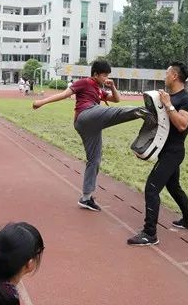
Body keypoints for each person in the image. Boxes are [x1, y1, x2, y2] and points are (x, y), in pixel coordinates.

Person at [32, 59, 149, 212]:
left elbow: (116, 99)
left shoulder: (99, 89)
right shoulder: (85, 82)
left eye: (108, 76)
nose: (106, 78)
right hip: (86, 115)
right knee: (115, 112)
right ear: (95, 74)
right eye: (104, 75)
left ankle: (86, 198)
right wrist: (42, 102)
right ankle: (145, 111)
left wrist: (112, 86)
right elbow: (64, 94)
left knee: (94, 160)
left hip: (91, 126)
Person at [129, 62, 188, 246]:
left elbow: (182, 124)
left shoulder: (186, 100)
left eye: (167, 72)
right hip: (163, 149)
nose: (165, 76)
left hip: (173, 152)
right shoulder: (168, 96)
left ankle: (150, 233)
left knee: (152, 188)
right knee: (173, 186)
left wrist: (168, 104)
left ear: (175, 76)